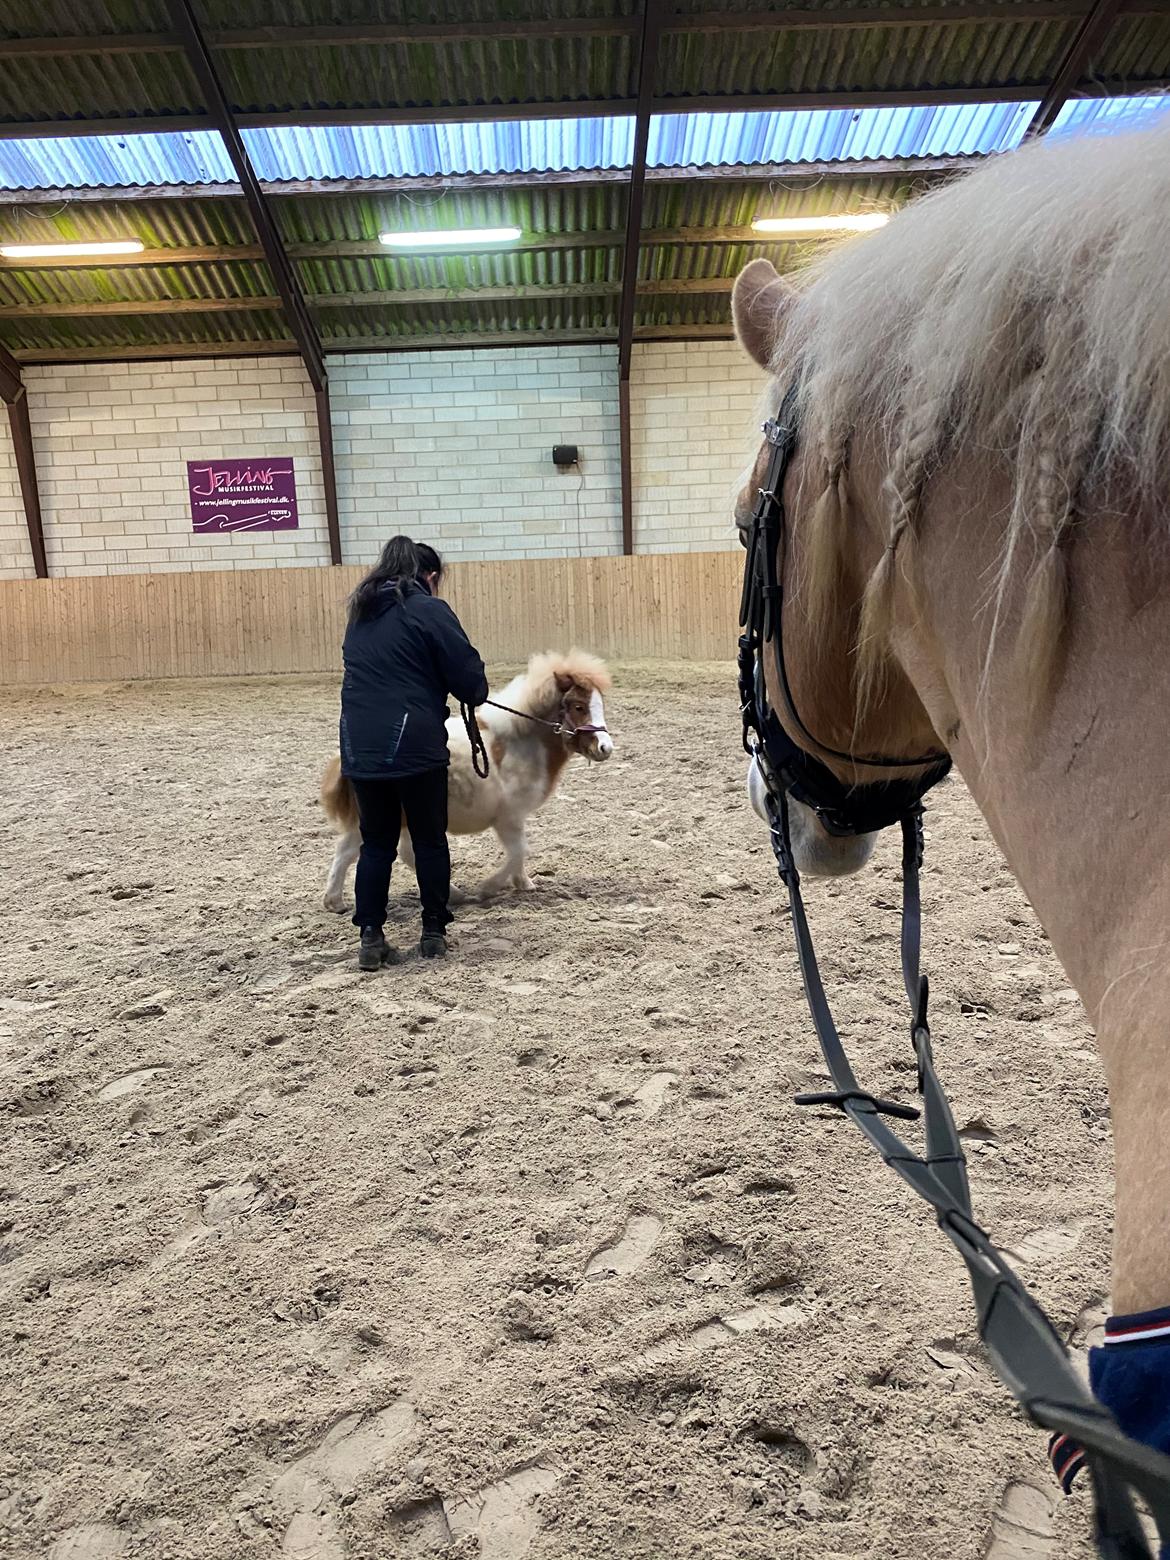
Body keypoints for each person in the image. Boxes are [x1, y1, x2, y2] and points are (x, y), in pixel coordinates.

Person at [339, 536, 488, 969]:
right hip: (414, 744)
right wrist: (472, 688)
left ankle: (371, 935)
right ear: (430, 575)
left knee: (377, 843)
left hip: (359, 744)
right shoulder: (429, 609)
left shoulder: (360, 613)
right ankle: (434, 931)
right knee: (428, 838)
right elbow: (467, 678)